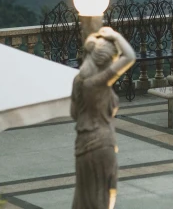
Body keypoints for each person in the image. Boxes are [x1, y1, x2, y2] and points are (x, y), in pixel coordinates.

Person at [71, 27, 136, 209]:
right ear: (106, 61)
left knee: (84, 196)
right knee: (104, 194)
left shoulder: (78, 81)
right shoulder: (99, 82)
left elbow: (74, 113)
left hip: (82, 144)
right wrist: (115, 35)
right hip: (101, 142)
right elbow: (130, 57)